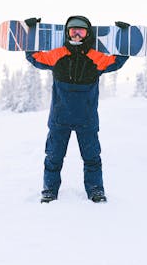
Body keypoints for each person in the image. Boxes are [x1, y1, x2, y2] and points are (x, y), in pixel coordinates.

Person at [25, 15, 130, 203]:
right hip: (60, 118)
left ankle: (96, 191)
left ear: (87, 34)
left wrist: (125, 37)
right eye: (73, 31)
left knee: (92, 158)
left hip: (86, 119)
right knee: (53, 158)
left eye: (81, 31)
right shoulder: (58, 54)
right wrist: (32, 31)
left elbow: (116, 62)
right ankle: (49, 190)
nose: (76, 35)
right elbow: (34, 57)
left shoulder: (94, 57)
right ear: (67, 33)